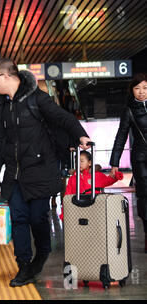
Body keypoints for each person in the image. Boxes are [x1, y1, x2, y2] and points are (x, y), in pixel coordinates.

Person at [0, 58, 91, 287]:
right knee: (19, 219)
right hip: (14, 176)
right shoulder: (3, 106)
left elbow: (63, 118)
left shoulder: (36, 98)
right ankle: (24, 266)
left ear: (6, 76)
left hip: (40, 171)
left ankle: (42, 252)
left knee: (37, 219)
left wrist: (81, 135)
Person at [110, 72, 147, 253]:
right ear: (132, 91)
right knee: (144, 195)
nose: (141, 92)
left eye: (145, 88)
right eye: (137, 88)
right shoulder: (129, 110)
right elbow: (121, 136)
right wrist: (114, 162)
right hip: (141, 158)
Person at [60, 150, 123, 221]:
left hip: (95, 208)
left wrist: (116, 176)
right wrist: (64, 213)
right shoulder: (73, 178)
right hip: (78, 209)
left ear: (89, 163)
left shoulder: (96, 176)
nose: (78, 164)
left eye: (81, 161)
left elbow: (107, 181)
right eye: (76, 161)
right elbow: (67, 195)